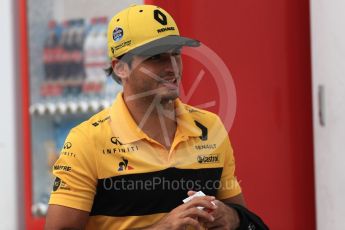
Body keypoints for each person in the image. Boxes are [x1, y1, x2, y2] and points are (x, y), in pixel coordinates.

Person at [45, 4, 268, 230]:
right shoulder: (87, 140)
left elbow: (247, 221)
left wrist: (233, 218)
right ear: (120, 68)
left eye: (176, 55)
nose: (172, 67)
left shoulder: (210, 127)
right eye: (157, 58)